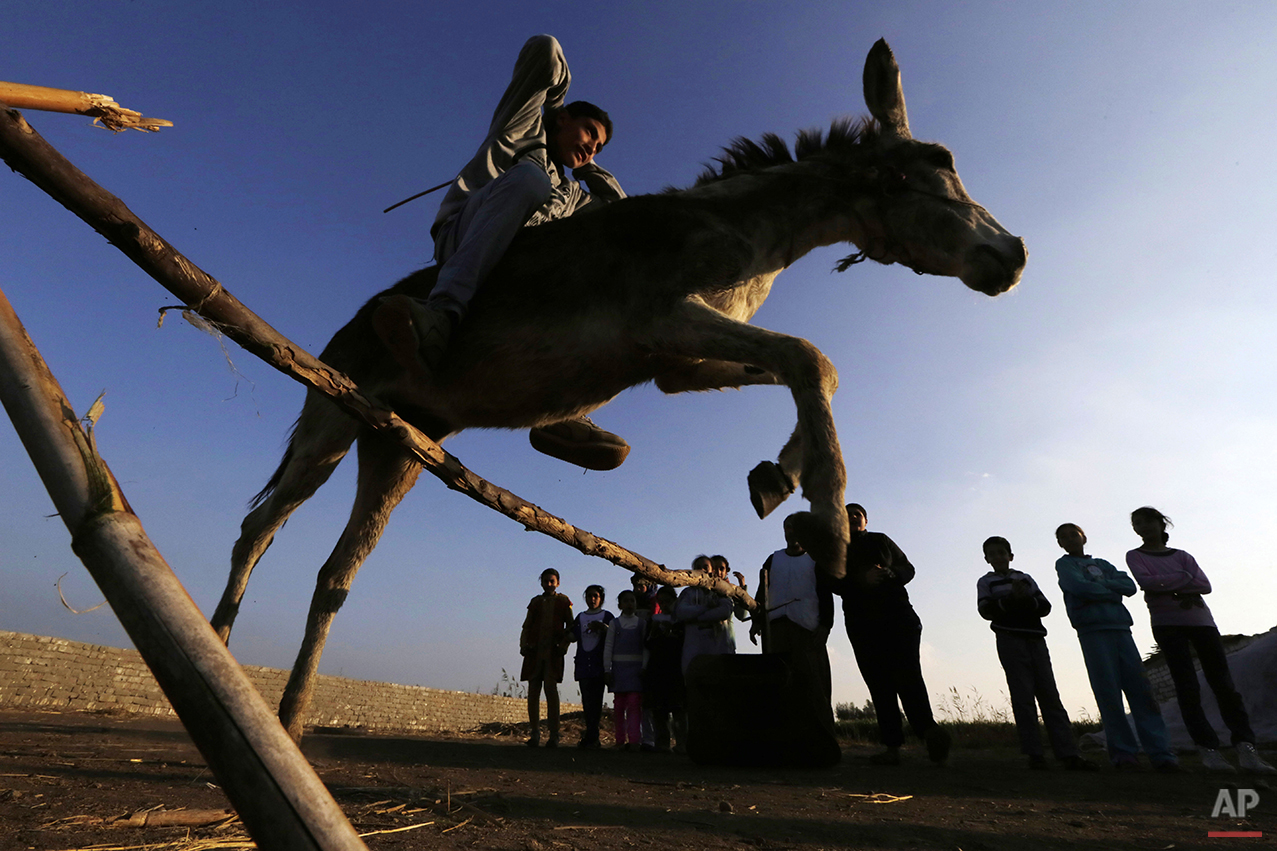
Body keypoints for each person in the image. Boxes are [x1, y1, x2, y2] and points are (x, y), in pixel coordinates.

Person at [372, 34, 629, 470]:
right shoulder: (522, 129)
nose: (591, 145)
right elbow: (545, 50)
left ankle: (559, 407)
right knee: (532, 180)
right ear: (563, 118)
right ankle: (441, 314)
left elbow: (624, 218)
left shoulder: (575, 194)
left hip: (520, 270)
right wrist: (551, 107)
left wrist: (592, 170)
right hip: (465, 236)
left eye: (600, 145)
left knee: (601, 266)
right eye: (589, 132)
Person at [1126, 507, 1276, 774]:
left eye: (1148, 521)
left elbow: (1204, 585)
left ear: (1162, 524)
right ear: (1135, 530)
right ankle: (1209, 750)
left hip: (1201, 623)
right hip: (1167, 625)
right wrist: (1184, 580)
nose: (1143, 526)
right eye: (1137, 523)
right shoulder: (1136, 556)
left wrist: (1170, 584)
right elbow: (1147, 583)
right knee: (1187, 687)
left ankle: (1246, 748)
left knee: (1224, 686)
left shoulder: (1183, 556)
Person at [1054, 523, 1178, 771]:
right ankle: (1124, 754)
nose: (1069, 539)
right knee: (1108, 692)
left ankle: (1161, 754)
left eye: (1073, 534)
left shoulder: (1103, 564)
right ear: (1060, 543)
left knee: (1141, 691)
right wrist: (1111, 591)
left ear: (1083, 537)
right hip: (1092, 630)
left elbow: (1129, 586)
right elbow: (1078, 586)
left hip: (1120, 627)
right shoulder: (1064, 565)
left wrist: (1102, 590)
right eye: (1063, 537)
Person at [836, 503, 950, 766]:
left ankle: (931, 735)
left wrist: (890, 572)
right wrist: (860, 580)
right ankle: (892, 748)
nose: (853, 517)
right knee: (878, 684)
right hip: (861, 623)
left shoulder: (881, 540)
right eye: (848, 514)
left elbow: (907, 568)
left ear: (865, 520)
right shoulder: (836, 548)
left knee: (908, 677)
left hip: (898, 618)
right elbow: (830, 581)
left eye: (858, 514)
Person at [976, 536, 1095, 771]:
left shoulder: (1025, 578)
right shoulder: (985, 582)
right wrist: (1011, 600)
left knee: (1050, 695)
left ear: (1010, 556)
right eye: (993, 554)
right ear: (987, 559)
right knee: (1023, 697)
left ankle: (1068, 753)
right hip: (1009, 639)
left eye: (1002, 552)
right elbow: (985, 610)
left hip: (1035, 639)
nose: (998, 557)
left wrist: (1025, 598)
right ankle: (1035, 754)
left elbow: (1045, 606)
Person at [751, 513, 836, 738]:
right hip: (775, 628)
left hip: (807, 629)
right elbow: (762, 592)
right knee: (777, 683)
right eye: (789, 527)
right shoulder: (773, 559)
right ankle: (779, 737)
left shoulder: (817, 559)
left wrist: (826, 626)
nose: (793, 531)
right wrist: (757, 621)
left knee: (815, 686)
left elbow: (826, 595)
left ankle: (823, 738)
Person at [519, 568, 574, 747]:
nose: (549, 584)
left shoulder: (564, 601)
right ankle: (534, 734)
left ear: (557, 582)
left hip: (553, 653)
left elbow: (571, 628)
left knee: (551, 691)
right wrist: (523, 645)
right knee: (533, 691)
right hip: (534, 652)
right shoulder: (535, 602)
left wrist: (563, 646)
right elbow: (526, 626)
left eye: (552, 581)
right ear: (541, 583)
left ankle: (554, 735)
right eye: (546, 581)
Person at [644, 586, 687, 753]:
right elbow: (647, 644)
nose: (665, 605)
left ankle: (682, 743)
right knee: (659, 709)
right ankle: (662, 744)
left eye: (668, 601)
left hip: (676, 667)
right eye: (661, 602)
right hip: (657, 668)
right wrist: (654, 633)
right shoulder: (653, 620)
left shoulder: (681, 620)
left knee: (678, 708)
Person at [570, 584, 613, 750]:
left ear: (601, 598)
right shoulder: (580, 617)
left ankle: (593, 736)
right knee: (587, 702)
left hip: (599, 664)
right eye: (589, 596)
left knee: (596, 701)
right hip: (583, 663)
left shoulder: (606, 616)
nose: (592, 599)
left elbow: (615, 634)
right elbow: (573, 635)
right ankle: (590, 734)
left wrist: (603, 628)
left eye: (595, 596)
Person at [675, 555, 736, 672]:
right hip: (693, 650)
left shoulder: (721, 591)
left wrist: (695, 618)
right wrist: (706, 607)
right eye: (698, 567)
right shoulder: (688, 593)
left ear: (711, 570)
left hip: (718, 649)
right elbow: (681, 612)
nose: (702, 570)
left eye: (705, 567)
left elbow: (725, 611)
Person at [604, 589, 646, 750]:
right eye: (626, 601)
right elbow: (608, 647)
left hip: (636, 671)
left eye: (632, 601)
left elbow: (645, 647)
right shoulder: (615, 624)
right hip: (618, 671)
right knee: (619, 707)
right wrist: (607, 670)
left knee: (635, 705)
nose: (629, 604)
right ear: (620, 604)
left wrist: (644, 666)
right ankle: (619, 741)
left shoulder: (642, 624)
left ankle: (635, 740)